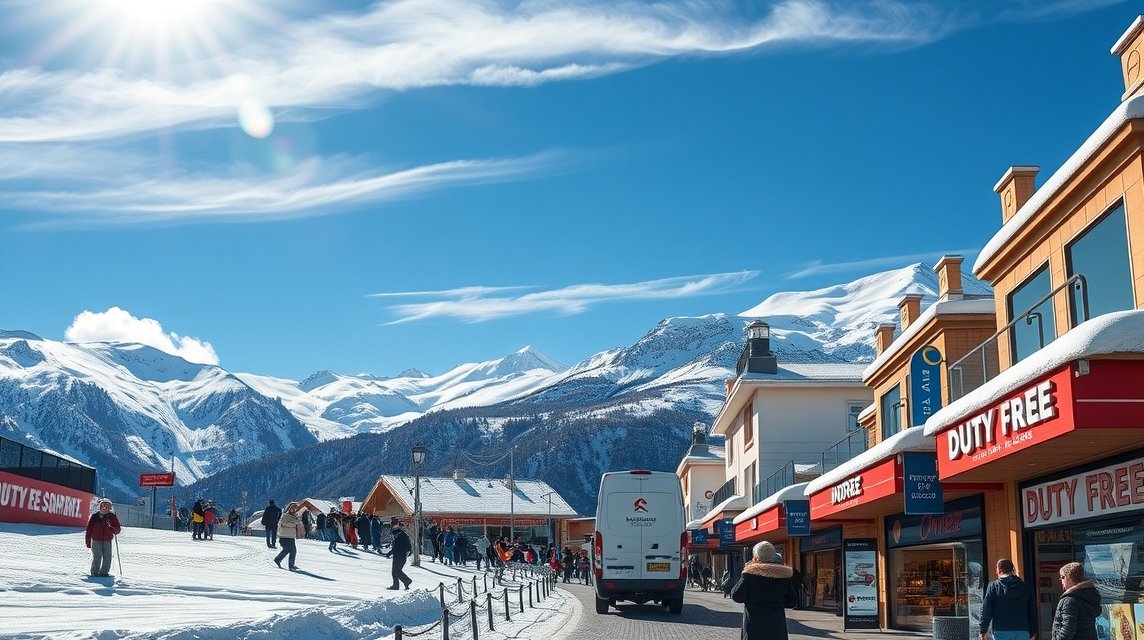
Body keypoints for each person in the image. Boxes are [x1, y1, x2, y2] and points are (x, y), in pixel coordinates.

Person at [731, 541, 797, 640]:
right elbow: (792, 602)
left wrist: (745, 572)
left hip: (754, 629)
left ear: (756, 557)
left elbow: (737, 596)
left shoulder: (750, 575)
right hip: (777, 629)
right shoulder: (783, 576)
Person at [980, 558, 1037, 640]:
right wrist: (1033, 632)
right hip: (1022, 629)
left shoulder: (993, 587)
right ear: (1012, 569)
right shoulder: (1026, 587)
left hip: (1001, 629)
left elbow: (987, 610)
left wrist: (983, 630)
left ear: (999, 570)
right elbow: (1032, 611)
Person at [1051, 562, 1100, 640]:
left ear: (1069, 578)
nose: (1061, 581)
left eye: (1062, 577)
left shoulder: (1069, 600)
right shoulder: (1090, 597)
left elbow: (1067, 630)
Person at [85, 498, 122, 577]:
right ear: (100, 506)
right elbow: (89, 529)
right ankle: (94, 572)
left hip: (107, 540)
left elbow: (117, 529)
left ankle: (104, 573)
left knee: (107, 557)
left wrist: (113, 529)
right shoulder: (95, 516)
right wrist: (88, 541)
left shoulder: (112, 517)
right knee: (97, 556)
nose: (105, 508)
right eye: (103, 506)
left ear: (110, 508)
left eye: (107, 506)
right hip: (96, 540)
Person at [273, 502, 305, 571]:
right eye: (292, 508)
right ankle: (290, 565)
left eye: (295, 509)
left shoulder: (296, 517)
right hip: (284, 536)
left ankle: (278, 559)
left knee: (288, 550)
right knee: (292, 550)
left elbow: (299, 524)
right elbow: (284, 523)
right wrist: (294, 524)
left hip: (290, 536)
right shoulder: (285, 516)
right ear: (289, 508)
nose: (293, 510)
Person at [385, 521, 413, 590]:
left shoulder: (399, 537)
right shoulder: (403, 535)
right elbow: (408, 545)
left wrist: (390, 553)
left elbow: (396, 548)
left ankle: (406, 581)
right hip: (402, 556)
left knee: (396, 571)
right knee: (396, 571)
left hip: (398, 556)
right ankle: (399, 584)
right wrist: (409, 551)